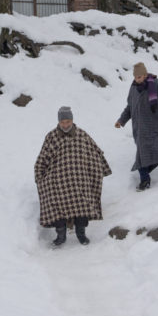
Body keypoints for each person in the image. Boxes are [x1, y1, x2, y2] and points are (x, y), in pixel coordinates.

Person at [34, 106, 112, 247]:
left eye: (68, 121)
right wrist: (39, 175)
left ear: (72, 120)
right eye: (63, 122)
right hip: (57, 180)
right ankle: (61, 235)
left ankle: (81, 233)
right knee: (55, 203)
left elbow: (94, 151)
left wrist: (101, 165)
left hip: (79, 180)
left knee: (82, 204)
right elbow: (43, 157)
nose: (65, 124)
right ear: (59, 122)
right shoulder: (51, 137)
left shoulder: (81, 135)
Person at [115, 62, 158, 192]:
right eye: (136, 77)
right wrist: (121, 120)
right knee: (142, 154)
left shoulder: (157, 84)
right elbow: (130, 107)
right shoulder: (133, 88)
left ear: (145, 75)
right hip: (142, 129)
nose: (137, 79)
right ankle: (145, 180)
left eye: (140, 77)